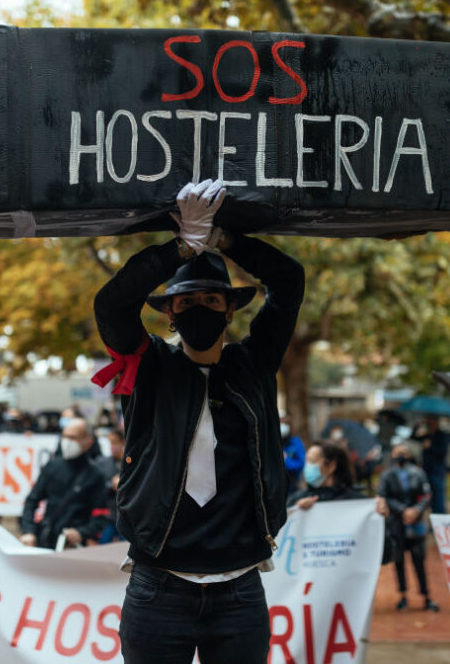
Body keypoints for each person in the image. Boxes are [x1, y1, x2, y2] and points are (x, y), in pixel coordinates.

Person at [92, 179, 304, 664]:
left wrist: (225, 240)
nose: (200, 308)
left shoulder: (254, 364)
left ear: (231, 310)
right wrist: (180, 249)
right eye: (187, 302)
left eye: (212, 300)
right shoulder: (149, 367)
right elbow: (111, 305)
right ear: (170, 313)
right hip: (158, 587)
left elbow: (290, 280)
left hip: (239, 591)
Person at [19, 418, 111, 549]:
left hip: (74, 546)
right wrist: (28, 531)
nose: (67, 441)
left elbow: (101, 517)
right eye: (65, 436)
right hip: (46, 539)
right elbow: (32, 500)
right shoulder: (52, 466)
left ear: (88, 442)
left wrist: (81, 532)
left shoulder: (96, 475)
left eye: (73, 438)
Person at [377, 443, 439, 612]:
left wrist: (416, 511)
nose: (401, 456)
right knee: (399, 561)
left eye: (404, 452)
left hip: (416, 524)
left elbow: (427, 495)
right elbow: (383, 496)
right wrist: (402, 510)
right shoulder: (387, 475)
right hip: (396, 525)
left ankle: (426, 596)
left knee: (419, 560)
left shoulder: (418, 473)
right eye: (398, 453)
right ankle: (403, 595)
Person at [288, 441, 365, 509]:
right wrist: (296, 509)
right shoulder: (298, 499)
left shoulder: (356, 501)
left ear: (331, 466)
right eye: (306, 462)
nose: (307, 467)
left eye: (312, 461)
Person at [417, 415, 450, 514]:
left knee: (438, 498)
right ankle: (433, 519)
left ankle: (441, 518)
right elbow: (412, 438)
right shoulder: (425, 435)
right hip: (426, 470)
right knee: (427, 498)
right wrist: (418, 425)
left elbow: (443, 452)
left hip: (437, 471)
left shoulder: (442, 435)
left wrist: (431, 446)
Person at [280, 416, 306, 496]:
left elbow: (302, 463)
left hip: (292, 485)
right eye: (281, 423)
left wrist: (286, 460)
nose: (282, 426)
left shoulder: (296, 442)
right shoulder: (273, 443)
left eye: (285, 424)